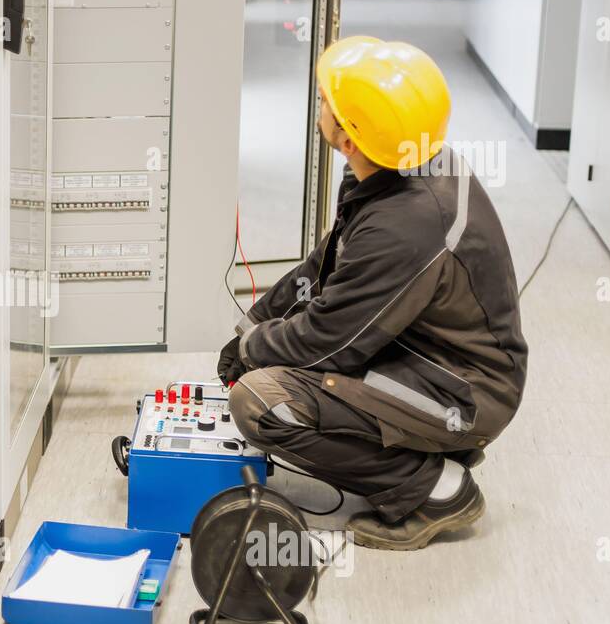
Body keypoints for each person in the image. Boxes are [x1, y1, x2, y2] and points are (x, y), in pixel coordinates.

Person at [217, 36, 527, 551]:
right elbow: (326, 268)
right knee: (273, 360)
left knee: (263, 402)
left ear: (349, 140)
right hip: (426, 354)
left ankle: (437, 489)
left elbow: (329, 342)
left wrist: (255, 352)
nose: (320, 104)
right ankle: (414, 447)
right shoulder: (405, 162)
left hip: (465, 392)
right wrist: (252, 329)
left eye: (326, 103)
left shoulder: (404, 224)